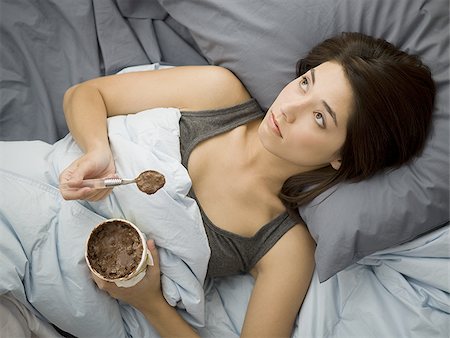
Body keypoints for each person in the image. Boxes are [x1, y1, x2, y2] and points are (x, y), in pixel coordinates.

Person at [60, 32, 435, 337]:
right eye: (305, 83)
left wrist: (149, 302)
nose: (289, 107)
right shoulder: (216, 93)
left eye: (320, 118)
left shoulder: (286, 248)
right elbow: (85, 94)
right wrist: (98, 150)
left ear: (344, 156)